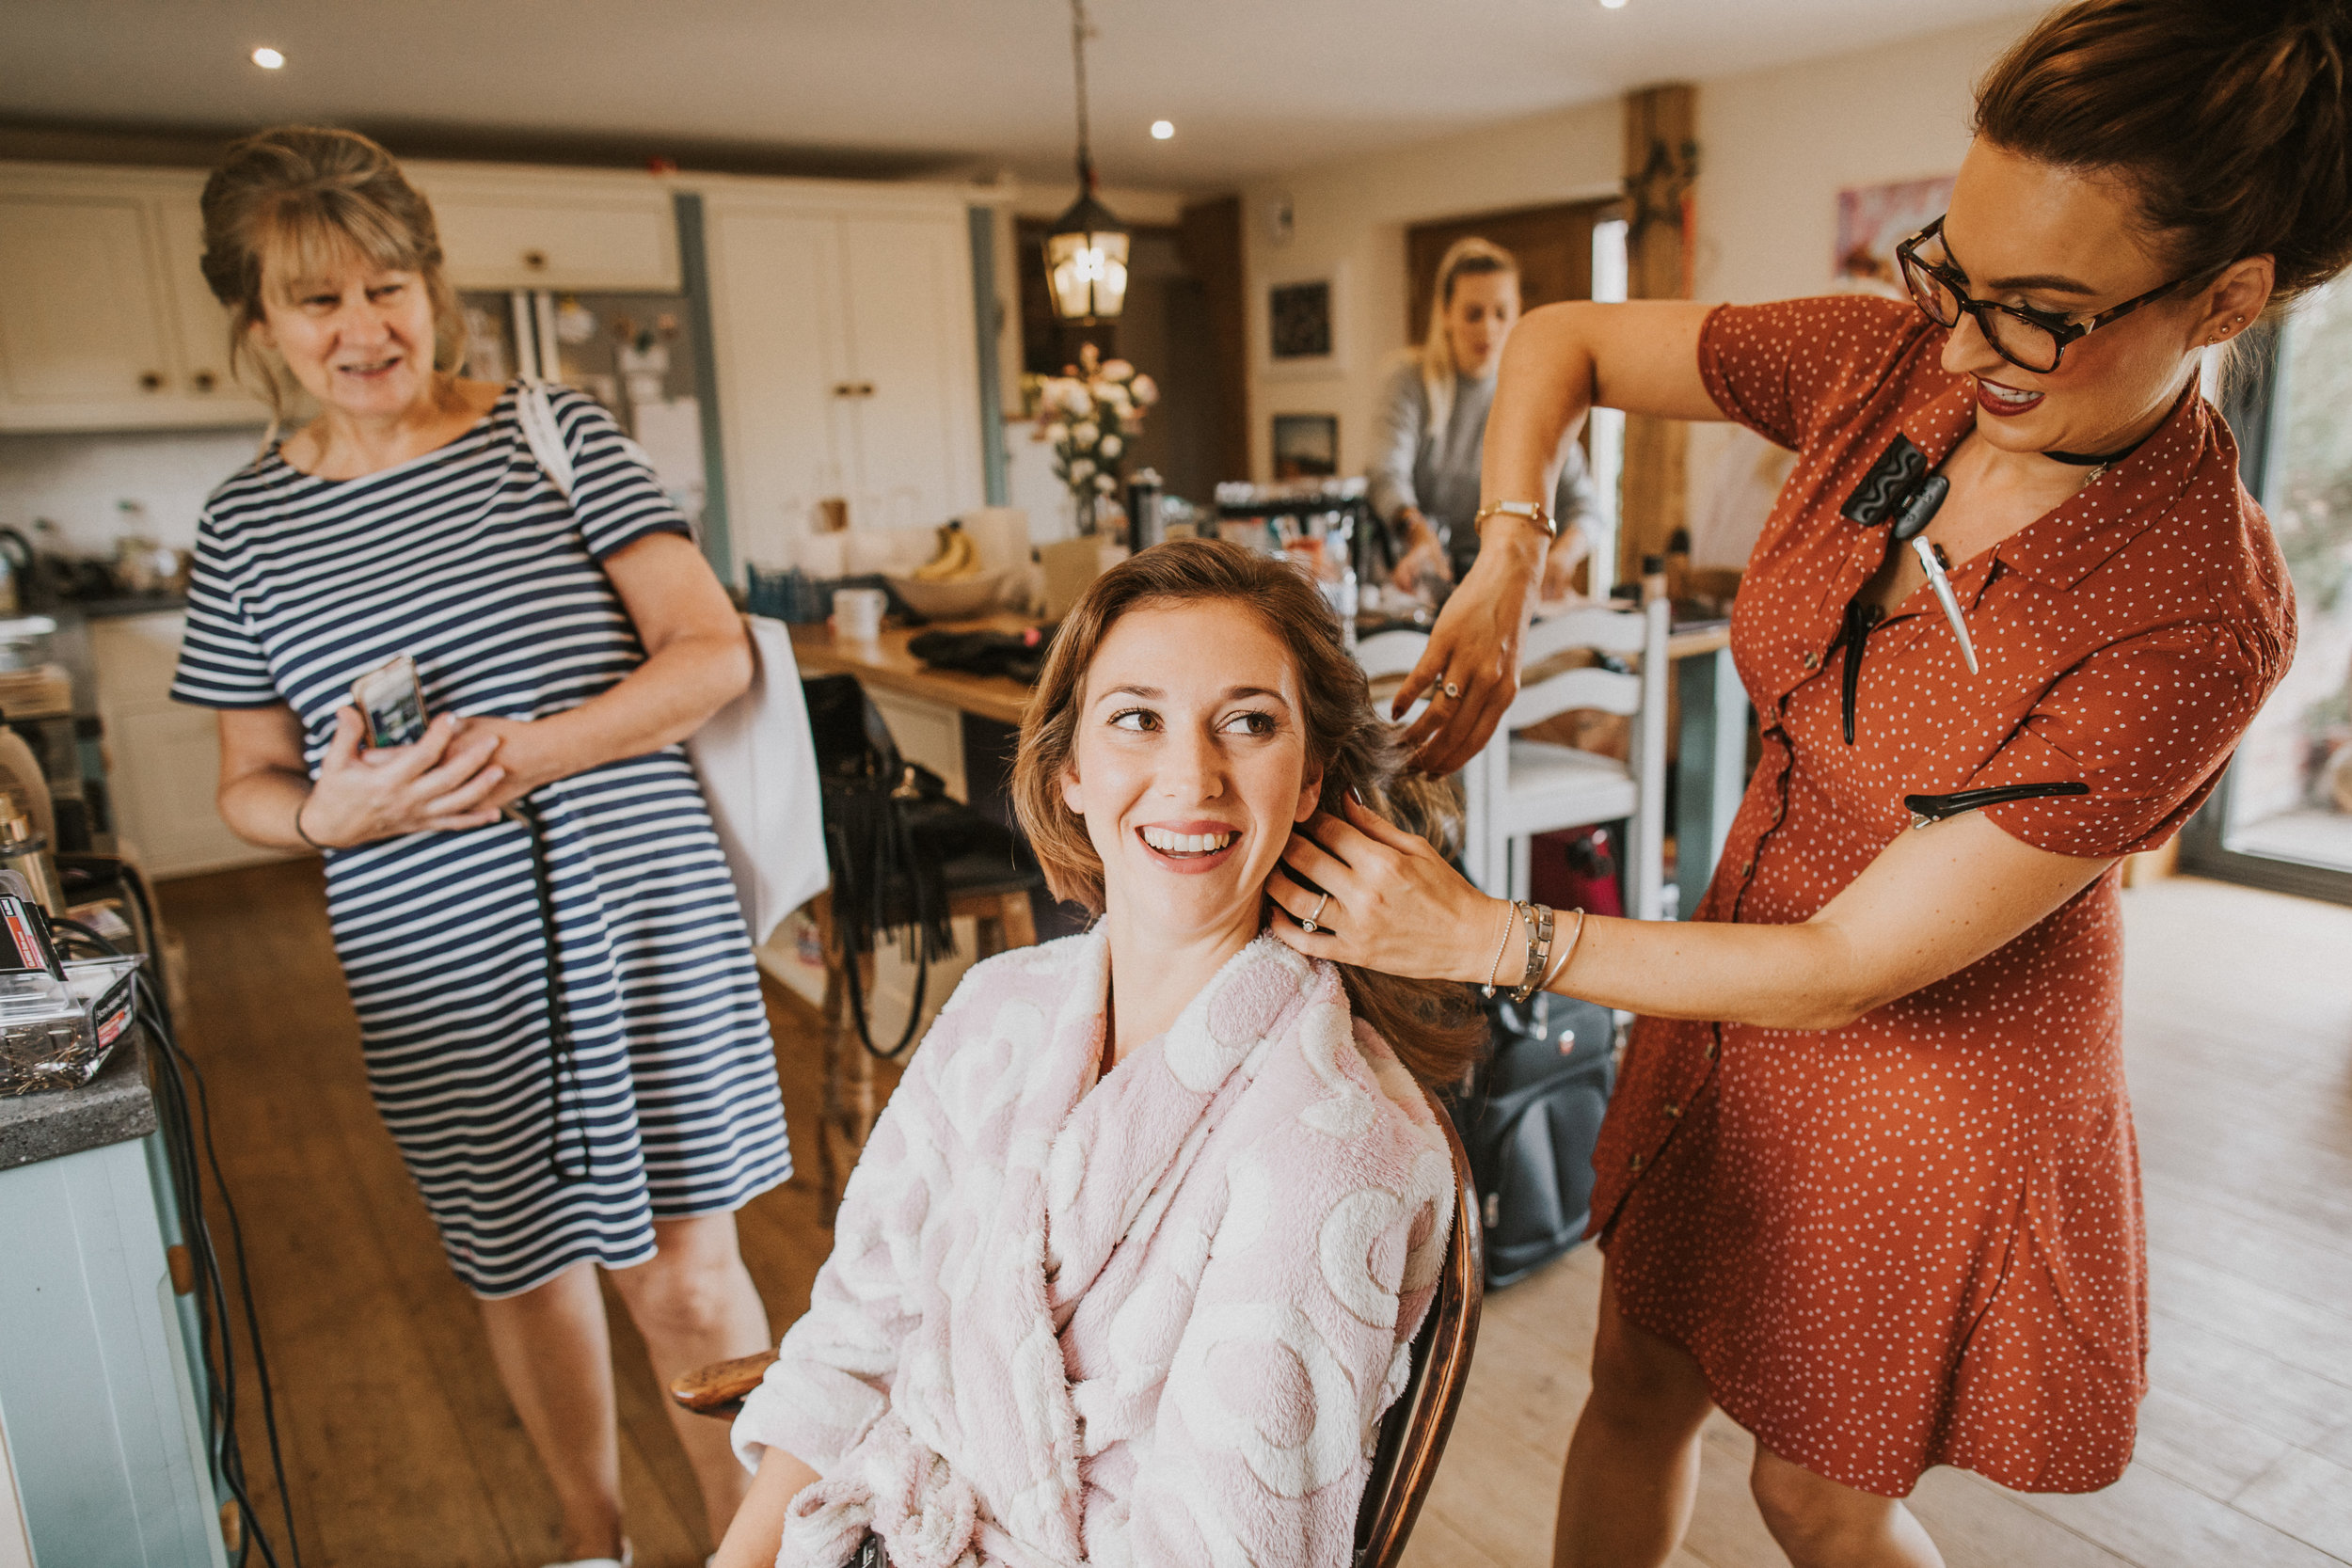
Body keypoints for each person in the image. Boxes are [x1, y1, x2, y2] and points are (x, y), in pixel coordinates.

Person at [1276, 3, 2347, 1564]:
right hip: (1720, 975)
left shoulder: (2196, 609)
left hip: (1933, 1056)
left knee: (1816, 1488)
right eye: (1955, 275)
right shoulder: (1888, 367)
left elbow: (1851, 970)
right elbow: (1558, 340)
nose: (1967, 348)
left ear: (2228, 297)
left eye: (2040, 311)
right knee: (1634, 1376)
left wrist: (1491, 935)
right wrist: (1507, 556)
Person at [172, 126, 789, 1568]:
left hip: (636, 912)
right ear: (259, 324)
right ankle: (592, 1540)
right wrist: (330, 815)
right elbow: (249, 782)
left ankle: (754, 1545)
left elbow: (708, 656)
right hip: (435, 956)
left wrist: (534, 747)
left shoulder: (550, 431)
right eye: (316, 299)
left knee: (692, 1279)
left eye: (386, 286)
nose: (362, 327)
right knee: (521, 1266)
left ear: (431, 289)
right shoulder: (246, 525)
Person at [713, 538, 1477, 1568]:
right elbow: (852, 1338)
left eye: (1248, 723)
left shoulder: (1327, 1153)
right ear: (1070, 771)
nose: (1189, 776)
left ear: (1309, 780)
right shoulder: (998, 1011)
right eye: (1137, 719)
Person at [1370, 236, 1600, 600]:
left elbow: (1587, 509)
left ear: (1518, 312)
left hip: (1501, 591)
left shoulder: (1534, 393)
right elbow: (1385, 474)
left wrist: (1563, 556)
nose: (1488, 329)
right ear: (1446, 313)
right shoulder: (1410, 380)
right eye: (1473, 313)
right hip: (1418, 584)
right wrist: (1419, 535)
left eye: (1501, 313)